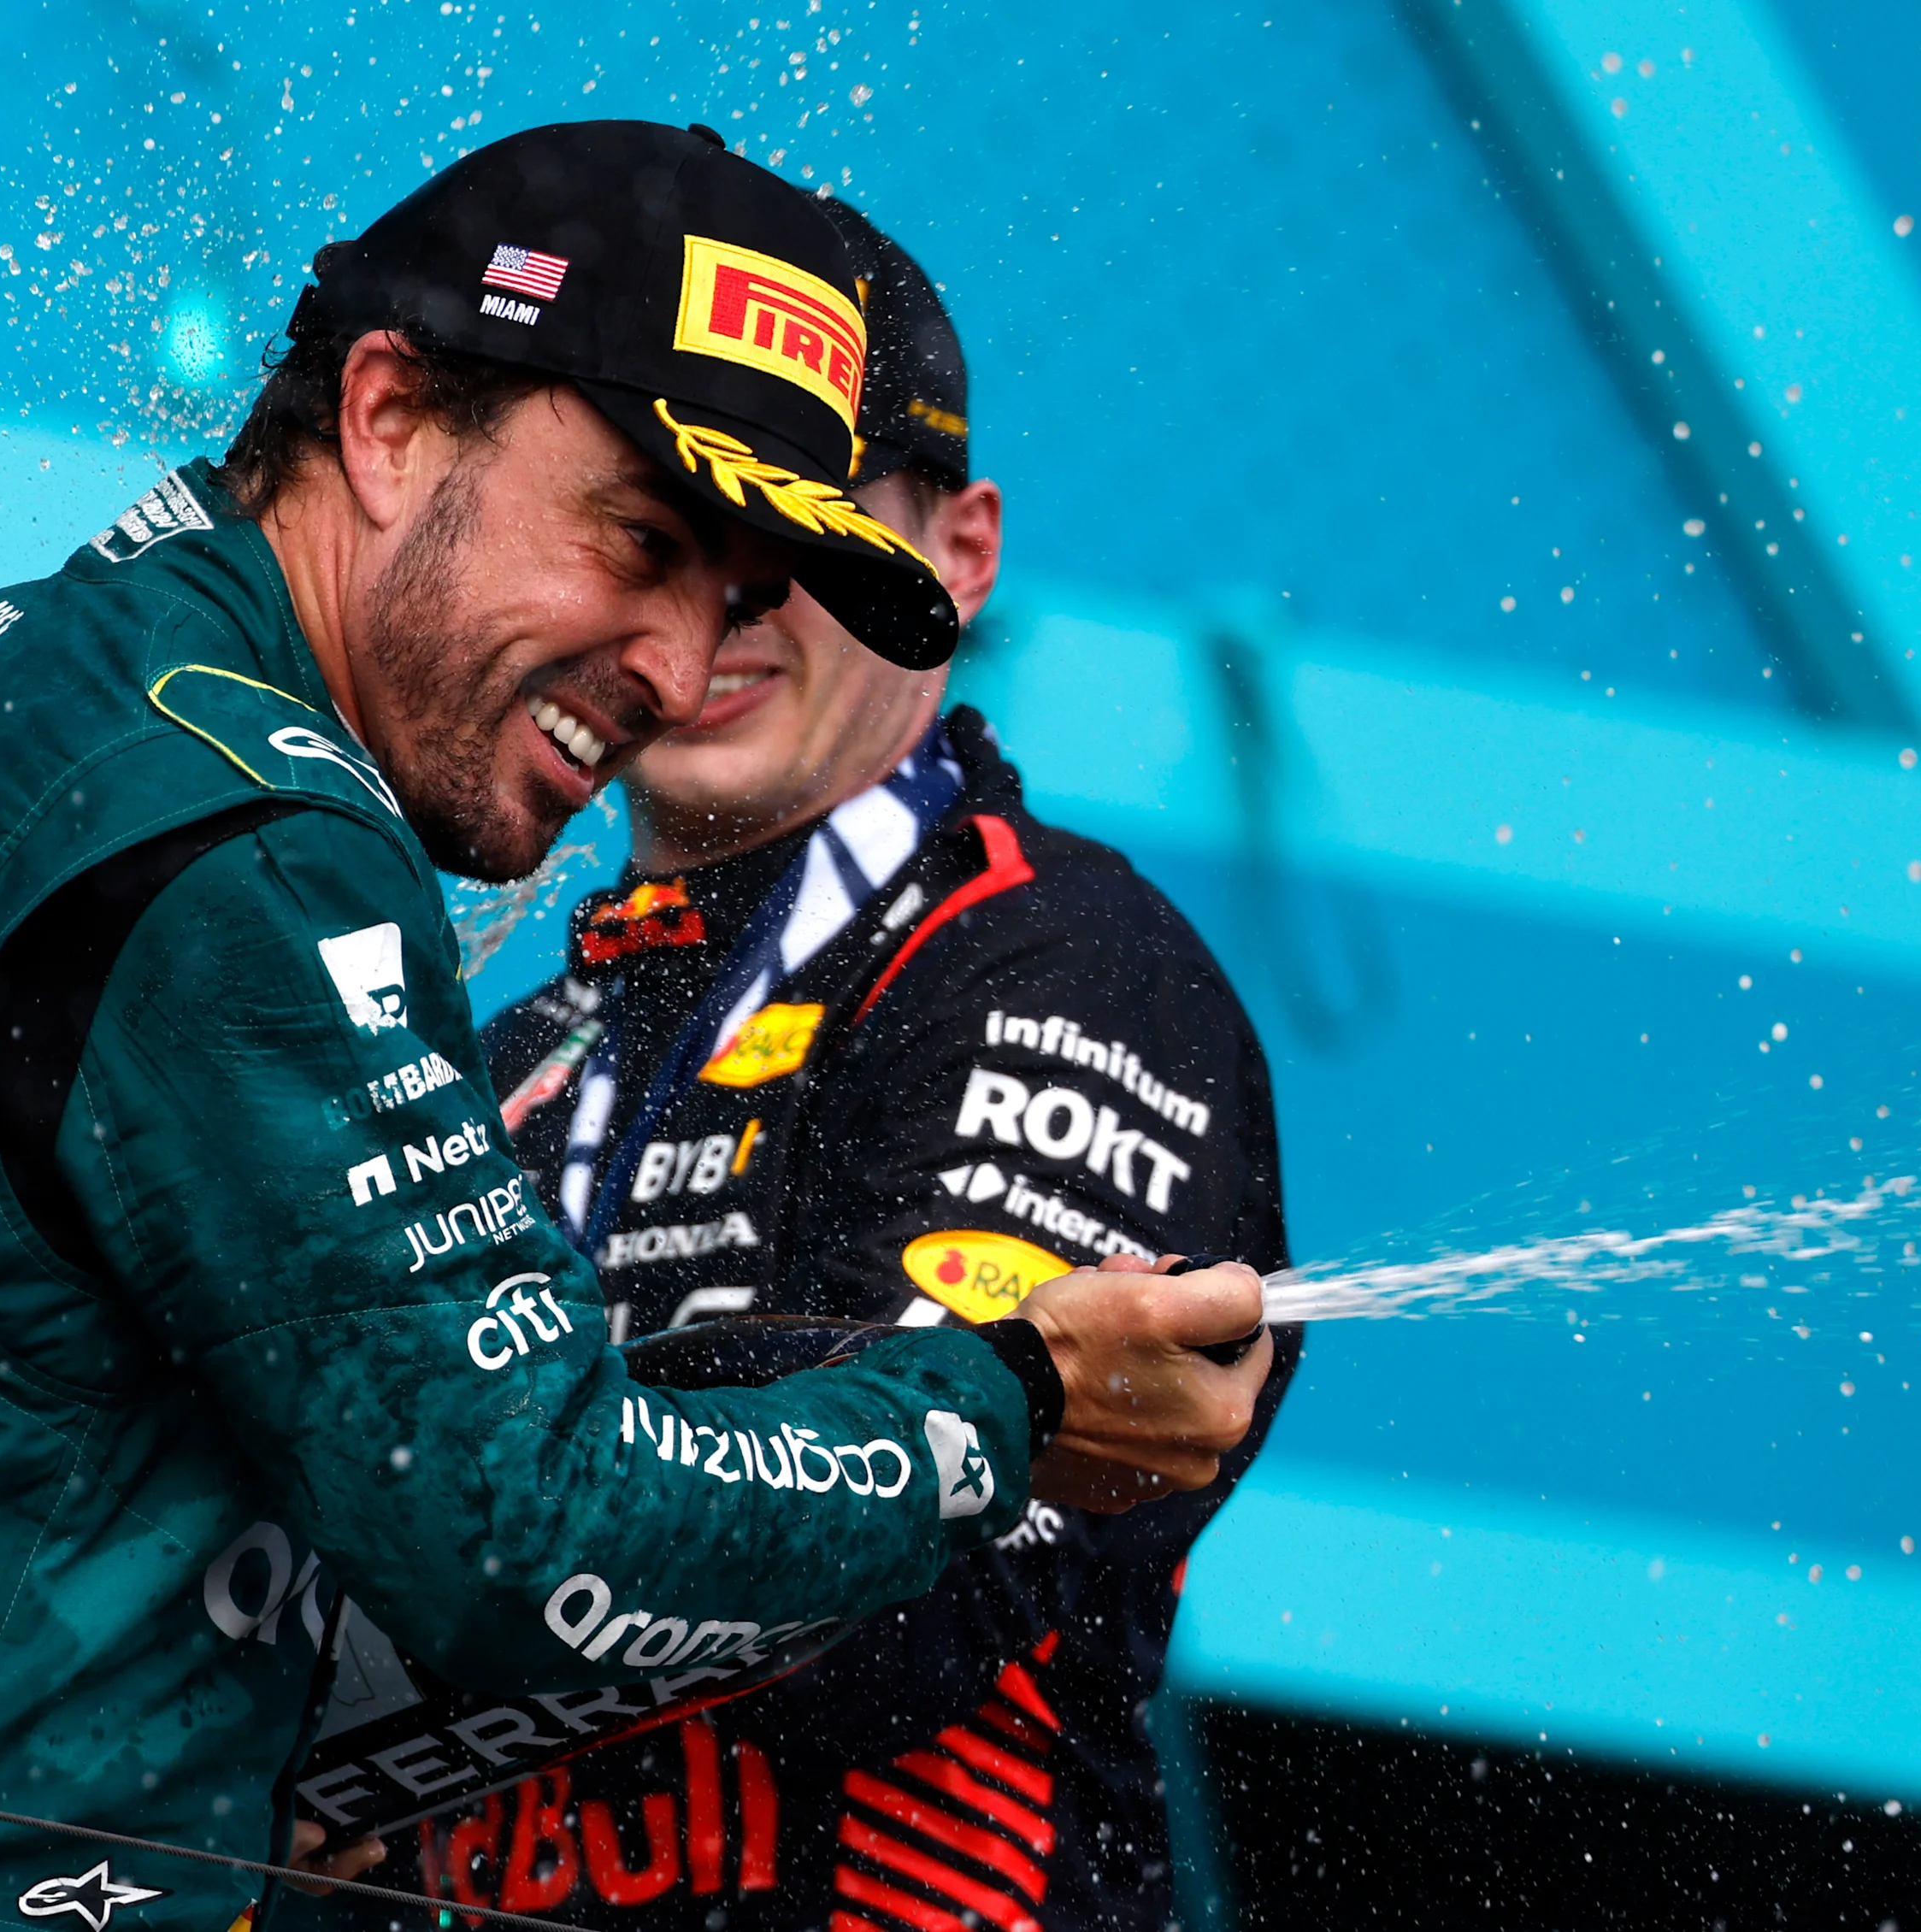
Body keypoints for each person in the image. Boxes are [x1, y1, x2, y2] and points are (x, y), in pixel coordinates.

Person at [0, 121, 1273, 1932]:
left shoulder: (7, 686)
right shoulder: (267, 840)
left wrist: (11, 1544)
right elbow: (532, 1539)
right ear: (385, 416)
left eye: (738, 597)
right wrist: (1003, 1405)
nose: (682, 670)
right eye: (637, 536)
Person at [356, 203, 1298, 1932]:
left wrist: (407, 1567)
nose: (730, 591)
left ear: (957, 552)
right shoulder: (522, 1046)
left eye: (810, 518)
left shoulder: (1059, 963)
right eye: (683, 514)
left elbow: (905, 1605)